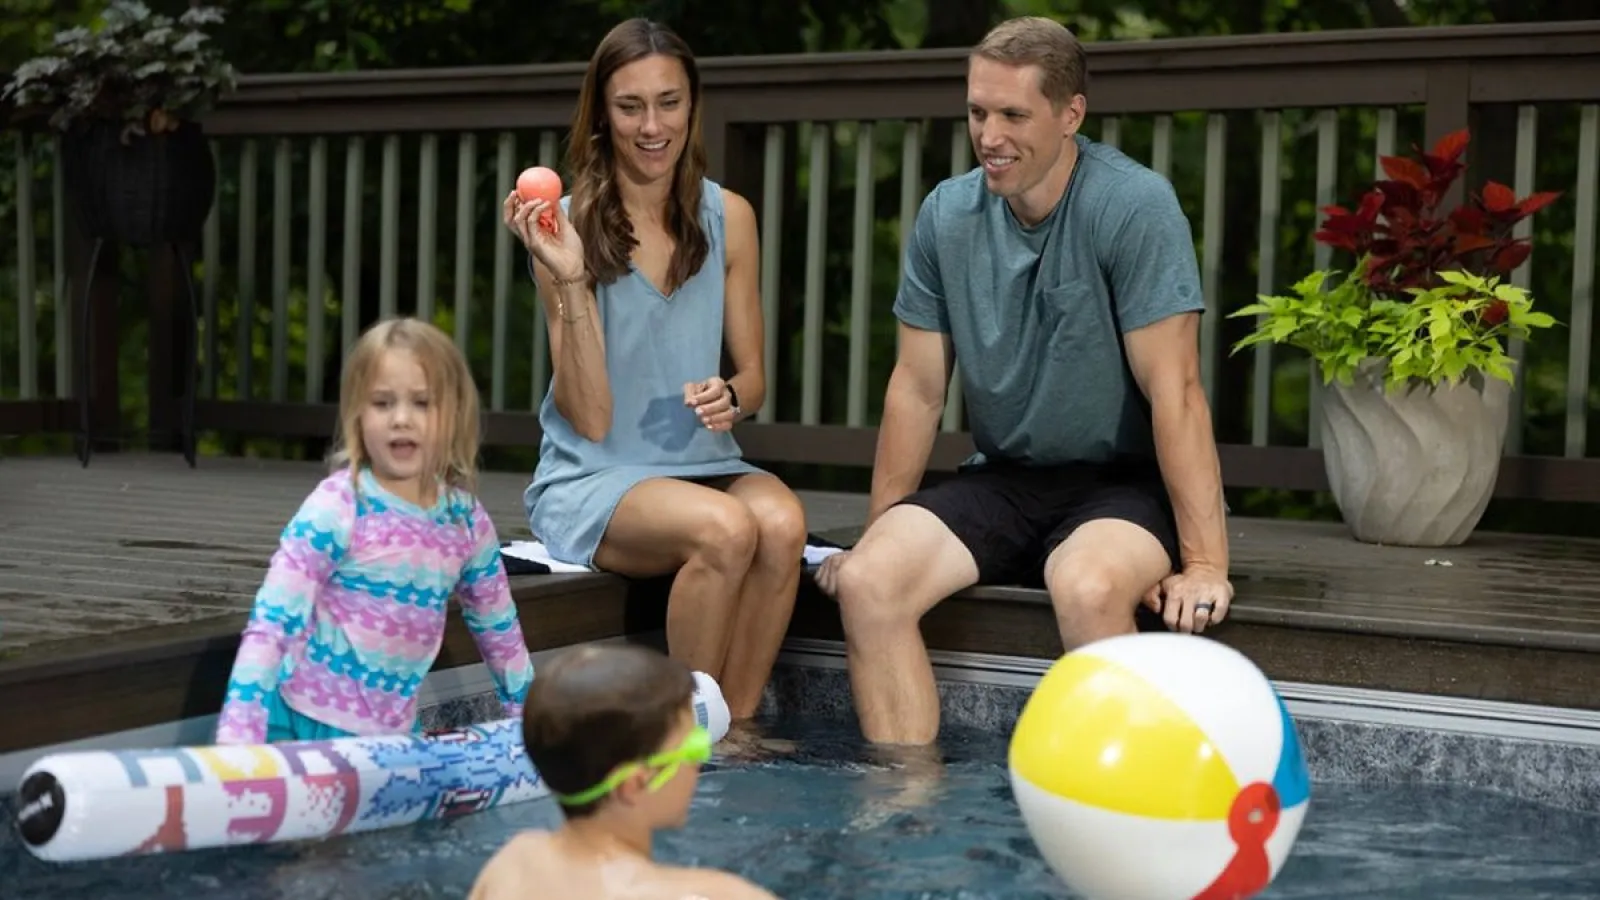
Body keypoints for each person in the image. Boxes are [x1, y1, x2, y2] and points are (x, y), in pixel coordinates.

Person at [815, 16, 1234, 746]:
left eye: (1013, 114)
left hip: (1124, 486)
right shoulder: (947, 214)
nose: (989, 134)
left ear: (1071, 114)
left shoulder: (1132, 205)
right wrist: (877, 532)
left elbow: (1178, 392)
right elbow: (916, 390)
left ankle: (1122, 807)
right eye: (979, 112)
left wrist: (1205, 565)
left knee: (1087, 585)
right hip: (1006, 477)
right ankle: (906, 822)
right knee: (868, 582)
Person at [503, 18, 806, 725]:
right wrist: (573, 281)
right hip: (595, 475)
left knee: (783, 522)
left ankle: (735, 731)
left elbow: (755, 378)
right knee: (727, 530)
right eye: (630, 105)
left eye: (668, 102)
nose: (652, 125)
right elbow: (591, 419)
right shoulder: (561, 231)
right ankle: (676, 735)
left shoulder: (730, 216)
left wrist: (730, 395)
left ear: (692, 106)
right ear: (601, 116)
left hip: (704, 463)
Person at [214, 317, 535, 745]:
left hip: (390, 733)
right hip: (299, 722)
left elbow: (499, 628)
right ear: (358, 413)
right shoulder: (339, 507)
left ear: (454, 413)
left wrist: (530, 715)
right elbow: (274, 621)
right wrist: (239, 734)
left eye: (422, 403)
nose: (401, 418)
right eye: (383, 403)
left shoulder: (465, 522)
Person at [467, 643, 780, 900]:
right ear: (634, 785)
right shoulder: (715, 893)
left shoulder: (512, 863)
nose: (698, 764)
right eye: (693, 748)